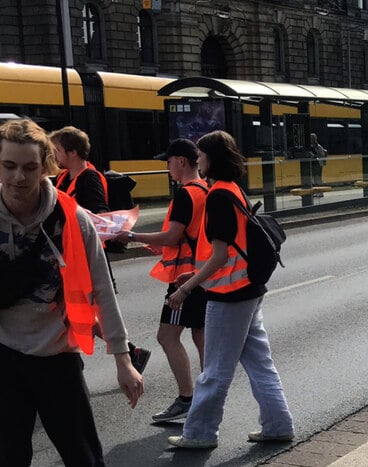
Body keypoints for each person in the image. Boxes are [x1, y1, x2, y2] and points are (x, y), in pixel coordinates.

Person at [0, 118, 141, 467]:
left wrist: (122, 359)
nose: (17, 177)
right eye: (8, 166)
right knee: (7, 464)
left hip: (57, 358)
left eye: (28, 167)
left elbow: (102, 288)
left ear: (47, 167)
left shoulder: (71, 217)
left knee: (86, 463)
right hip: (4, 360)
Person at [165, 130, 294, 450]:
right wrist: (196, 274)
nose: (199, 160)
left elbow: (221, 255)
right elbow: (233, 249)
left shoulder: (218, 196)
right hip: (248, 289)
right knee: (260, 363)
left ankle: (199, 433)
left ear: (212, 159)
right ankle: (278, 425)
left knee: (215, 371)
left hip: (229, 294)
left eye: (202, 156)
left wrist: (188, 287)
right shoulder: (234, 189)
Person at [114, 139, 208, 424]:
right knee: (201, 335)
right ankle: (207, 398)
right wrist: (165, 245)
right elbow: (188, 236)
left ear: (181, 161)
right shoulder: (207, 189)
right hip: (203, 273)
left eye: (168, 162)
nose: (167, 167)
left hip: (184, 279)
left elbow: (171, 236)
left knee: (167, 336)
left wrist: (131, 236)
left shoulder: (185, 194)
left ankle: (187, 398)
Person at [49, 126, 151, 374]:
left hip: (86, 256)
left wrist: (77, 219)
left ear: (72, 152)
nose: (54, 156)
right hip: (69, 255)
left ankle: (82, 360)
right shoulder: (65, 178)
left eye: (57, 150)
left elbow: (100, 215)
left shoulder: (89, 178)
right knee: (79, 311)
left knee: (87, 310)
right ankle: (130, 350)